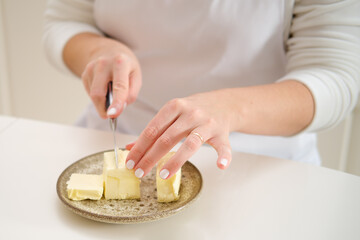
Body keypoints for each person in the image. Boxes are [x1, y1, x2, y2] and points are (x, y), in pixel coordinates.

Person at [43, 0, 360, 180]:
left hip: (263, 163)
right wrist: (98, 51)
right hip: (116, 140)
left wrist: (232, 108)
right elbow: (66, 20)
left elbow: (335, 76)